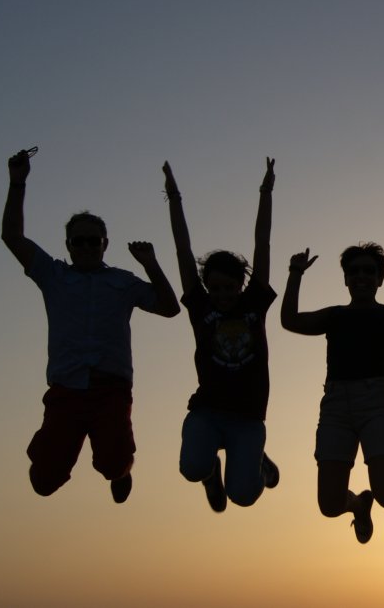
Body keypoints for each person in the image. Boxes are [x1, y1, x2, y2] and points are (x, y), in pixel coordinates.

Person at [0, 147, 180, 503]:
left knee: (114, 464)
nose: (85, 247)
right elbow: (12, 237)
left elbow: (169, 308)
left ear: (104, 244)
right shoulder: (53, 275)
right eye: (77, 241)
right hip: (66, 391)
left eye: (92, 241)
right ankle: (57, 453)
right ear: (68, 245)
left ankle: (121, 474)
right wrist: (17, 183)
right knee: (42, 483)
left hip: (109, 390)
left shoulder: (122, 281)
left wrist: (151, 265)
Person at [281, 244, 384, 544]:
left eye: (369, 271)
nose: (361, 277)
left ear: (380, 278)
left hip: (377, 403)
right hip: (336, 407)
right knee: (330, 506)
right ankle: (358, 504)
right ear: (345, 279)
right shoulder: (334, 316)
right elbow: (290, 320)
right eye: (353, 271)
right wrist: (295, 274)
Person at [162, 159, 281, 513]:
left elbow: (263, 241)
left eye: (229, 287)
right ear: (207, 286)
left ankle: (256, 460)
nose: (223, 294)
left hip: (247, 419)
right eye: (215, 287)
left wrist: (266, 191)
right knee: (192, 468)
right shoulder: (200, 306)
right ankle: (211, 470)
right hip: (208, 413)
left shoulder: (254, 302)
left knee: (243, 496)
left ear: (241, 285)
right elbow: (182, 249)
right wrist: (173, 195)